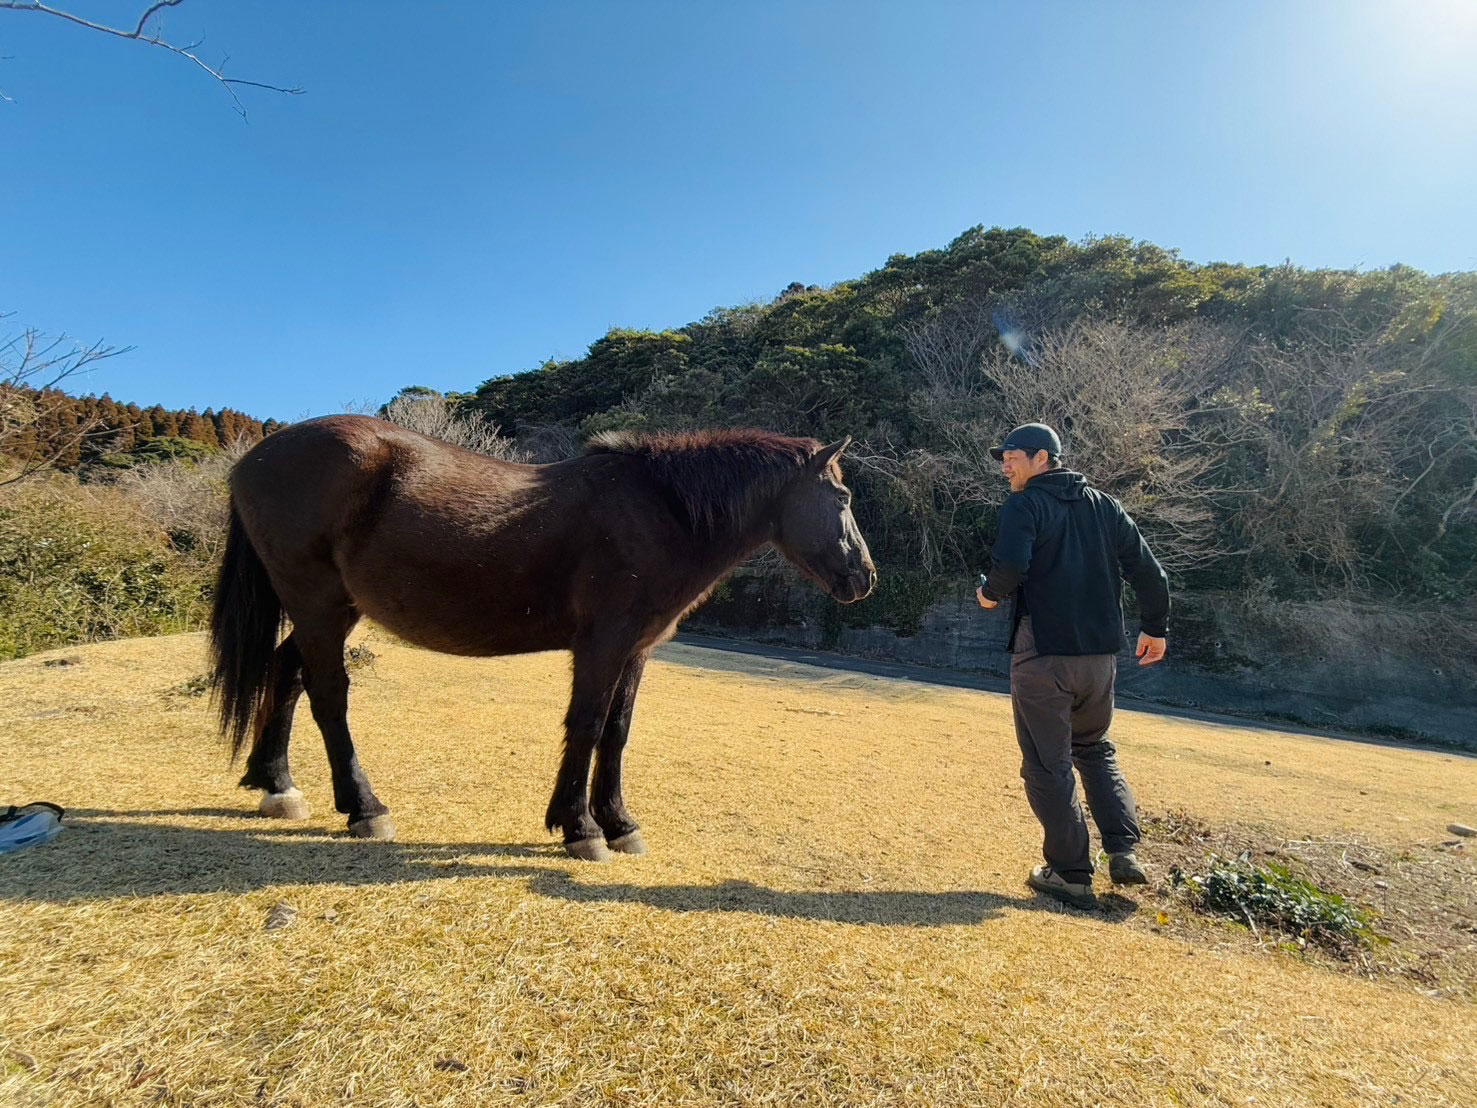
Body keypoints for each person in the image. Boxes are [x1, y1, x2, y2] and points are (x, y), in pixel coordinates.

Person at [975, 423, 1169, 910]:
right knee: (1094, 747)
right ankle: (1123, 852)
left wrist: (988, 594)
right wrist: (1156, 628)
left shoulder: (1025, 504)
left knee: (1048, 764)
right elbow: (1148, 570)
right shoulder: (1105, 505)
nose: (1005, 463)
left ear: (1043, 457)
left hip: (1044, 655)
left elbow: (1011, 566)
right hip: (1101, 659)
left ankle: (1070, 874)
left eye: (1012, 455)